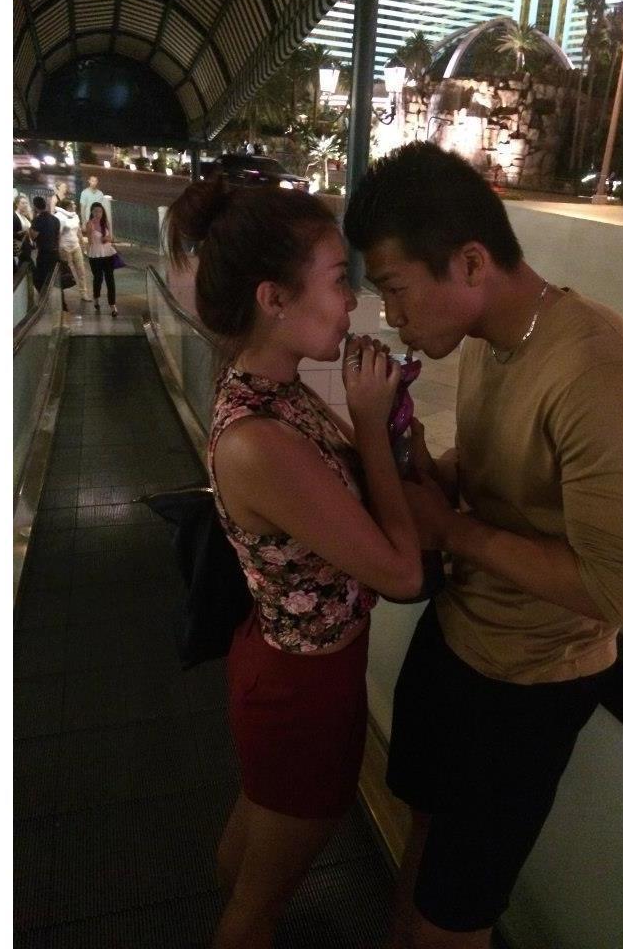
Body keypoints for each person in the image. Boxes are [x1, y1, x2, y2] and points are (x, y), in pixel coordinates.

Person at [343, 142, 623, 949]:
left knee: (457, 910)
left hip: (528, 686)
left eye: (395, 290)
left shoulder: (604, 371)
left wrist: (451, 530)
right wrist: (425, 463)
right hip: (458, 637)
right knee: (422, 838)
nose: (392, 317)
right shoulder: (494, 341)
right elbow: (497, 474)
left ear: (470, 262)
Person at [163, 178, 422, 949]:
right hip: (302, 691)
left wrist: (384, 428)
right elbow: (402, 576)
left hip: (291, 669)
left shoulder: (273, 392)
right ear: (274, 299)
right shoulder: (261, 439)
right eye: (339, 280)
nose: (352, 302)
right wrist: (370, 423)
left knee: (255, 848)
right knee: (259, 905)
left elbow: (346, 495)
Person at [84, 202, 118, 316]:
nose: (98, 213)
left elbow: (111, 238)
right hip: (96, 255)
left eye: (100, 211)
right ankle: (96, 298)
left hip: (108, 254)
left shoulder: (106, 223)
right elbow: (89, 241)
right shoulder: (90, 224)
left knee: (110, 280)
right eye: (95, 211)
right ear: (92, 212)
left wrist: (107, 239)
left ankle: (113, 305)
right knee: (98, 279)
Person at [55, 199, 92, 303]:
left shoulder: (75, 216)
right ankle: (61, 293)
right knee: (66, 271)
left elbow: (78, 231)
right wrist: (57, 248)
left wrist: (82, 244)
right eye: (73, 204)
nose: (75, 205)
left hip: (75, 246)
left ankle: (83, 292)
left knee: (81, 270)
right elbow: (58, 234)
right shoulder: (59, 217)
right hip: (64, 247)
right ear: (67, 207)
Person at [30, 196, 60, 290]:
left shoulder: (37, 220)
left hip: (44, 254)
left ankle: (43, 296)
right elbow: (58, 237)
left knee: (41, 278)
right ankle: (52, 296)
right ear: (45, 205)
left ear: (35, 207)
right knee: (52, 277)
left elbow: (33, 236)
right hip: (55, 252)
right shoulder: (55, 219)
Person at [13, 195, 33, 272]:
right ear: (17, 204)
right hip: (20, 247)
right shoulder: (14, 216)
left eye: (26, 203)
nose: (25, 205)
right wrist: (23, 232)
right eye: (23, 203)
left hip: (27, 246)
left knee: (25, 267)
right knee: (24, 268)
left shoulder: (24, 216)